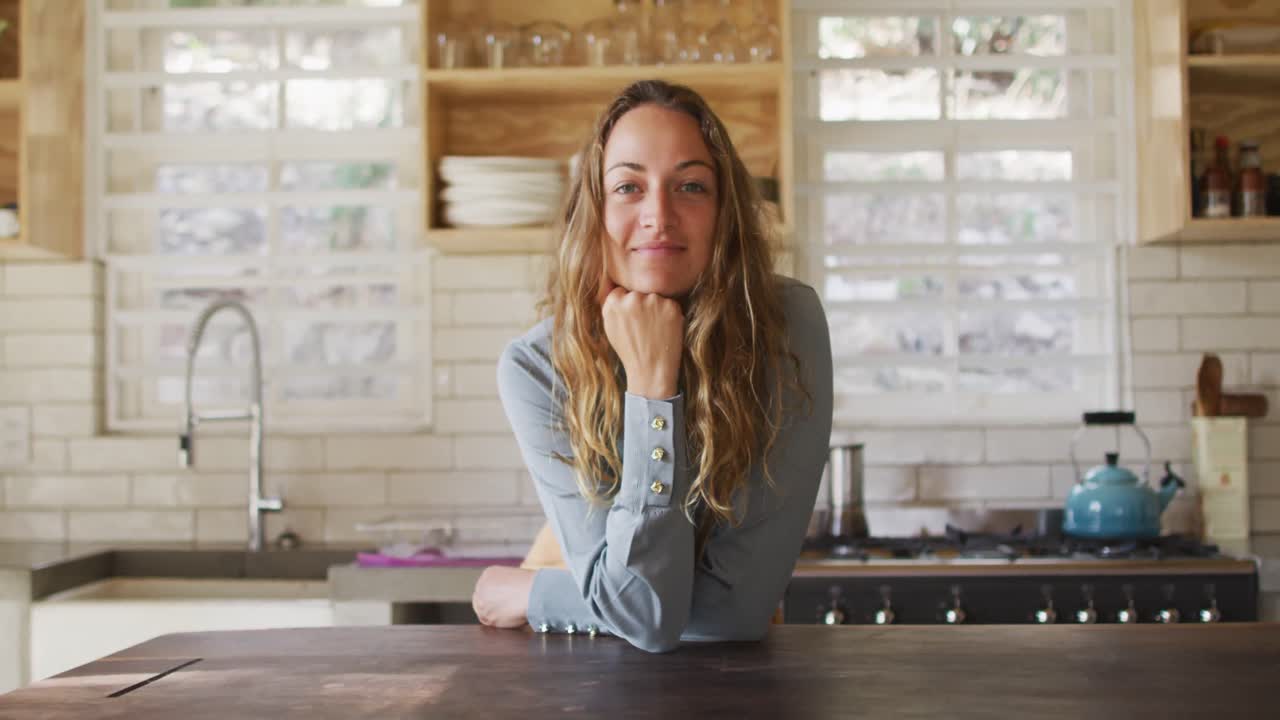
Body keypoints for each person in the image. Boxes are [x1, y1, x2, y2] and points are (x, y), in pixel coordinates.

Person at [471, 79, 833, 653]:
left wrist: (539, 595)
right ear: (593, 211)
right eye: (628, 187)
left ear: (725, 214)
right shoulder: (536, 367)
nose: (658, 215)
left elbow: (732, 615)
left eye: (691, 186)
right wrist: (652, 388)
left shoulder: (787, 325)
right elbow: (644, 615)